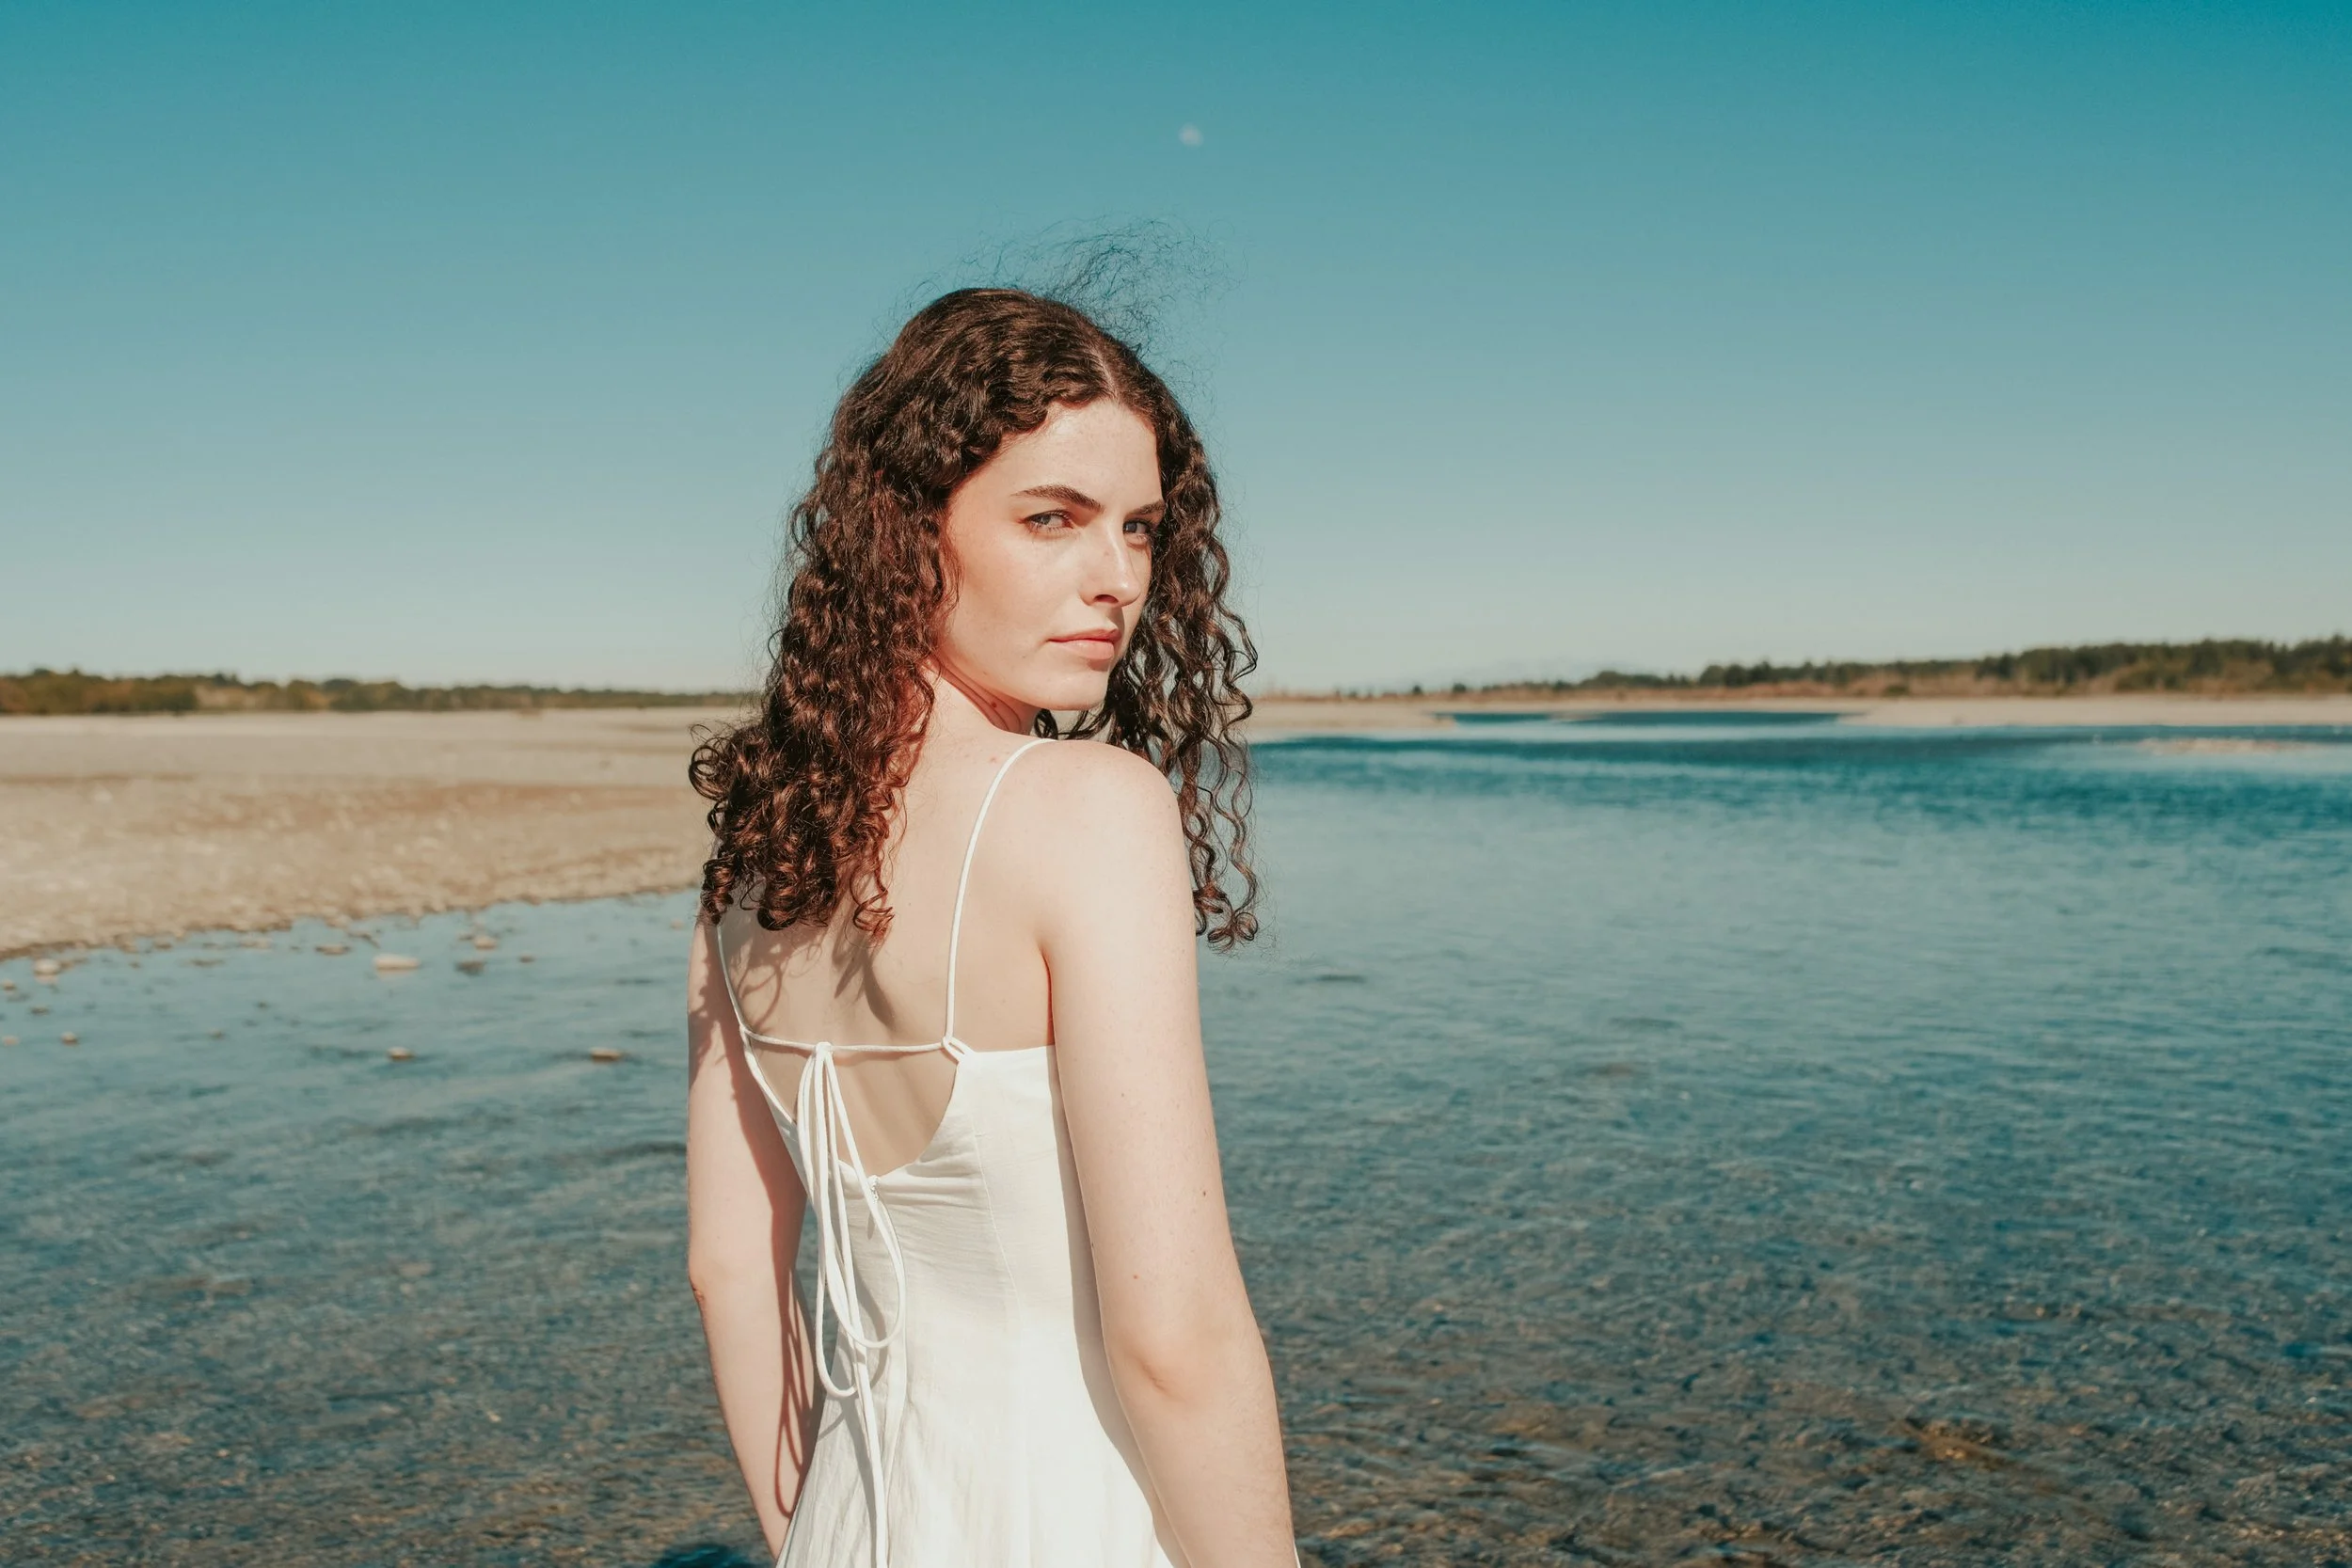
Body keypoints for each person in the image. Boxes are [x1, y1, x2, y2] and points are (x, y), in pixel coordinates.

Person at [683, 287, 1296, 1567]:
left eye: (1139, 528)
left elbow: (730, 1275)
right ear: (911, 529)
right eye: (1051, 519)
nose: (1118, 577)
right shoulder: (1088, 810)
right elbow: (1171, 1338)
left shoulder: (754, 861)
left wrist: (810, 1537)